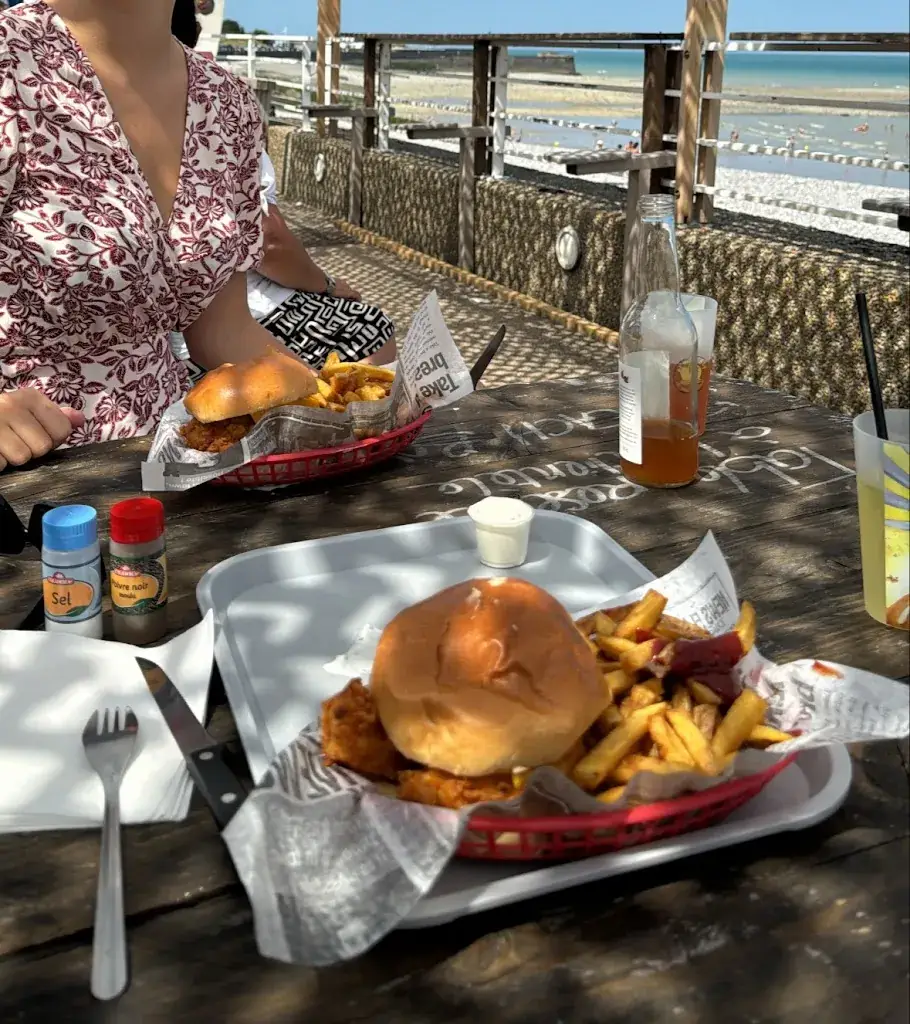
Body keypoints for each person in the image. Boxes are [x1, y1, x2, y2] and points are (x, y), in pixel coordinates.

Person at [0, 0, 286, 472]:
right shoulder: (11, 68)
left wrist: (334, 402)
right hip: (29, 492)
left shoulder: (227, 101)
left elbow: (222, 331)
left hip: (174, 466)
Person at [170, 3, 395, 377]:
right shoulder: (215, 106)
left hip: (184, 334)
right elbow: (267, 240)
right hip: (245, 310)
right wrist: (327, 284)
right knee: (371, 329)